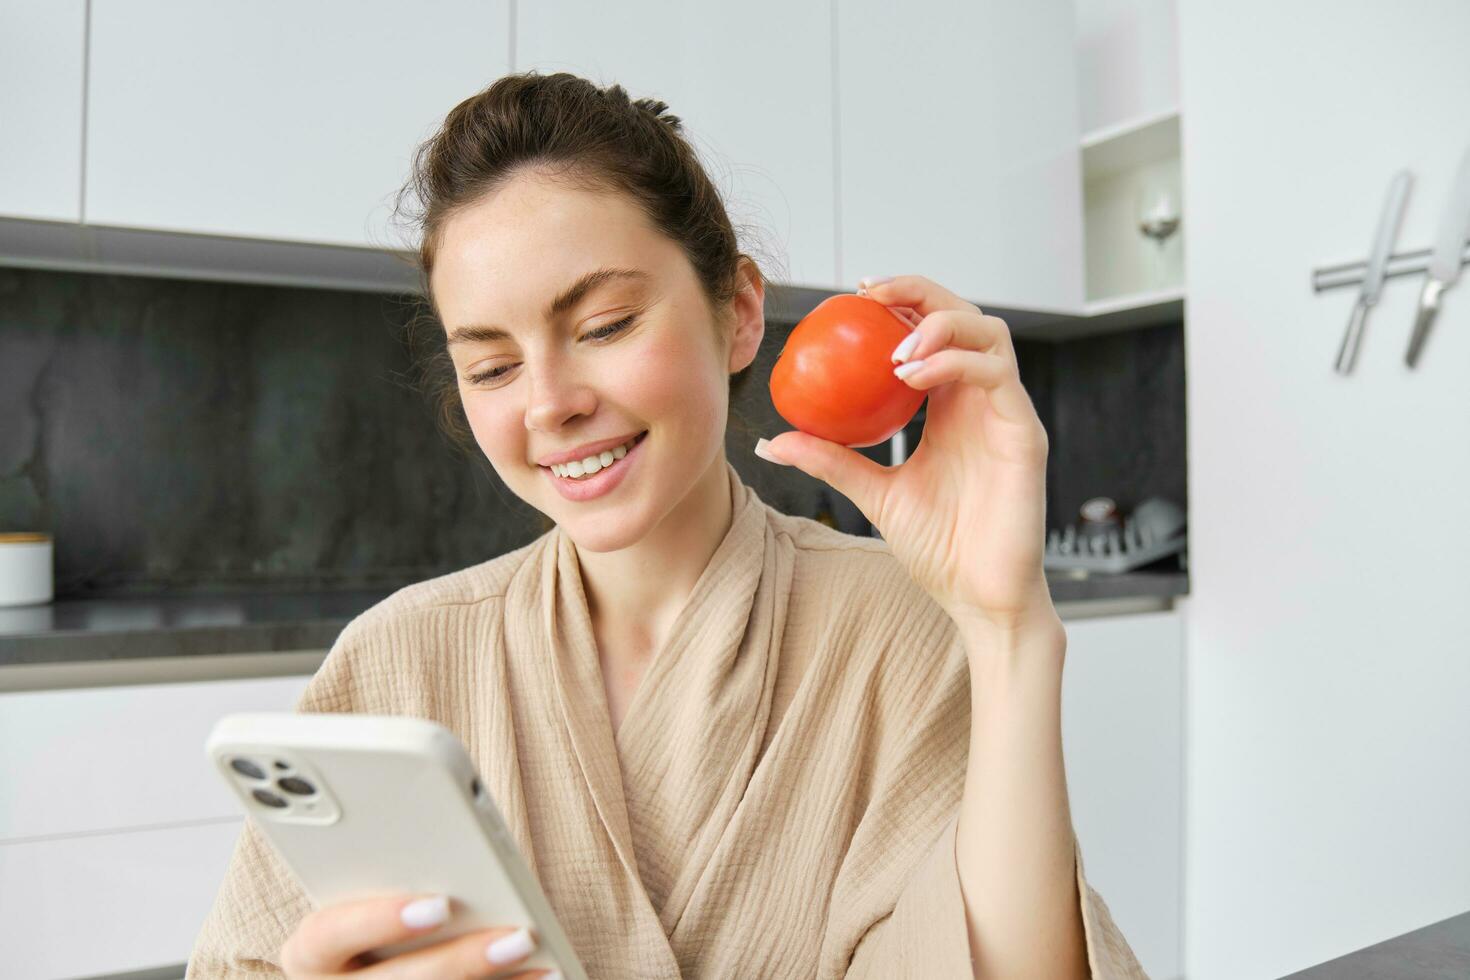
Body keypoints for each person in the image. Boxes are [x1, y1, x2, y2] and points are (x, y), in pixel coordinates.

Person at [186, 70, 1148, 979]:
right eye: (491, 367)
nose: (549, 404)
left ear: (737, 311)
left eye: (604, 326)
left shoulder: (901, 628)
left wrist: (1010, 627)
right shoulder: (398, 660)